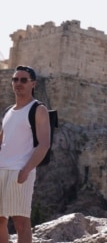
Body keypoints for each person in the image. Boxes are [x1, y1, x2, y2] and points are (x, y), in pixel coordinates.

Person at [0, 66, 50, 243]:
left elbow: (44, 144)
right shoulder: (8, 111)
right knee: (0, 220)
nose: (18, 83)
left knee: (21, 222)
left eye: (23, 80)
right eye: (15, 79)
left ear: (33, 84)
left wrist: (26, 169)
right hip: (2, 169)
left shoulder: (38, 109)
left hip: (20, 170)